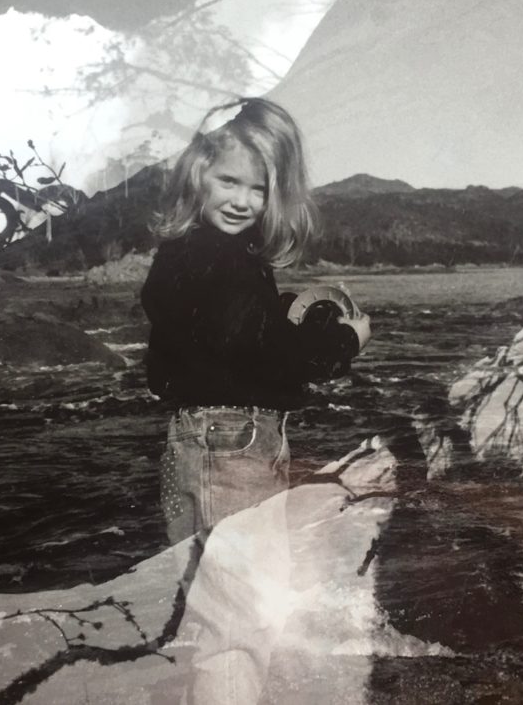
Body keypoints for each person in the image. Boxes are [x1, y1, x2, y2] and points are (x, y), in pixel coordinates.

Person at [141, 96, 371, 546]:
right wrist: (346, 341)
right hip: (232, 443)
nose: (242, 202)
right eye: (229, 181)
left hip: (200, 437)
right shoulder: (226, 259)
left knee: (207, 577)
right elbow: (267, 356)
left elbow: (226, 331)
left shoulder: (189, 252)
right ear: (197, 173)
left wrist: (279, 309)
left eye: (259, 190)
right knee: (247, 587)